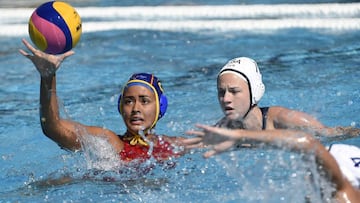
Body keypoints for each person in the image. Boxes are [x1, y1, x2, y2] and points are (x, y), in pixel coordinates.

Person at [19, 39, 185, 163]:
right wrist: (48, 77)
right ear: (120, 107)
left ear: (161, 107)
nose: (135, 108)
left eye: (144, 101)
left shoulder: (173, 145)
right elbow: (53, 128)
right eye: (128, 101)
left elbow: (210, 140)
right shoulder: (109, 143)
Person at [184, 124, 360, 203]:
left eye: (315, 173)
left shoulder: (343, 197)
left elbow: (308, 143)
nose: (307, 177)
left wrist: (239, 135)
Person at [214, 56, 359, 137]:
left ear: (255, 92)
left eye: (234, 91)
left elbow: (333, 134)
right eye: (221, 92)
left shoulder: (285, 120)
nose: (226, 99)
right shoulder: (220, 131)